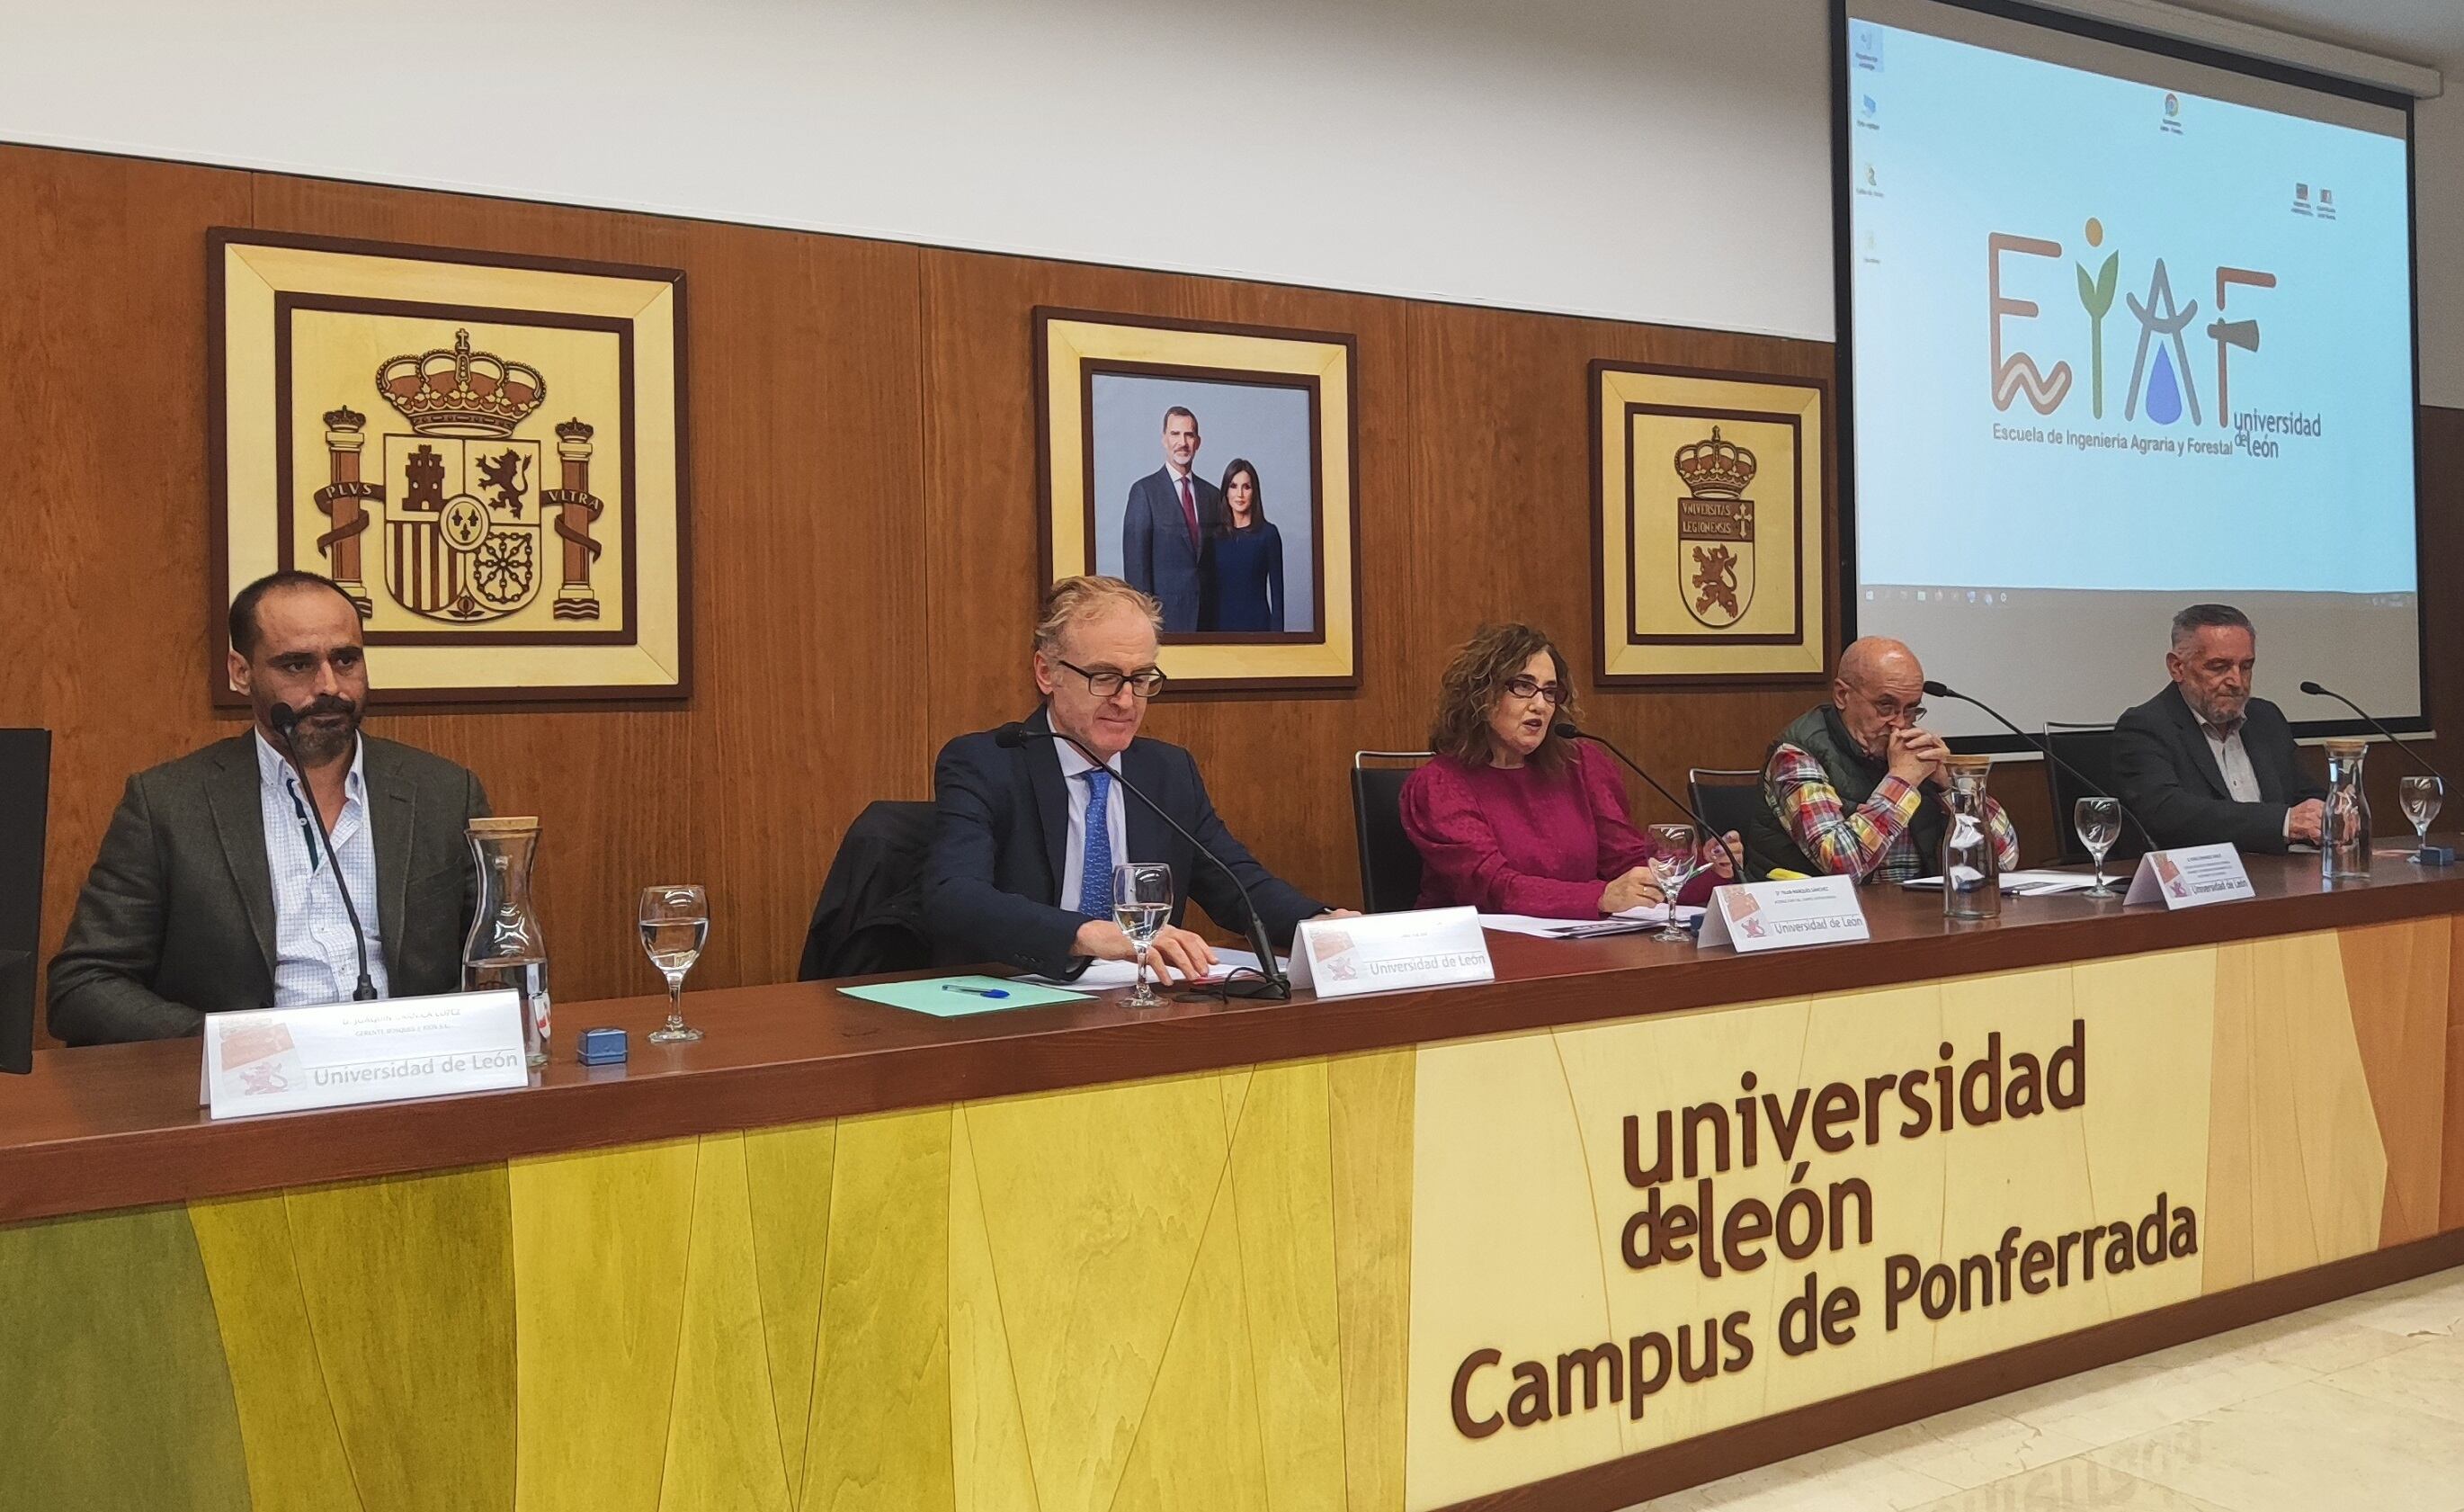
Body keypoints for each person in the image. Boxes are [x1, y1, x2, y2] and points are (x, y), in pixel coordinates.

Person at [48, 570, 490, 1046]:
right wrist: (232, 1046)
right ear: (242, 672)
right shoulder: (168, 805)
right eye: (297, 665)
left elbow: (499, 961)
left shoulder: (444, 793)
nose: (330, 687)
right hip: (251, 1091)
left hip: (410, 1072)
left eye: (345, 660)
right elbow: (83, 987)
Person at [924, 576, 1338, 980]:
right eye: (1104, 677)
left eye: (1141, 679)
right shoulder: (988, 762)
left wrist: (1322, 924)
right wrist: (1089, 934)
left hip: (1141, 1003)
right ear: (1047, 672)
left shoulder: (1166, 772)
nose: (1126, 701)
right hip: (1019, 1002)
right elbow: (955, 896)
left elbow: (1239, 887)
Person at [1399, 623, 1736, 917]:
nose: (1540, 704)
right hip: (1478, 954)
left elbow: (1623, 862)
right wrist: (1601, 898)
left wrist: (1701, 870)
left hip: (1577, 944)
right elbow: (1491, 888)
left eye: (1549, 691)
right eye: (1522, 686)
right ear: (1481, 696)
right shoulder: (1440, 785)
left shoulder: (1581, 765)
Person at [1750, 636, 2019, 883]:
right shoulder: (1795, 756)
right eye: (1886, 707)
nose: (1900, 724)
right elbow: (1841, 864)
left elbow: (2006, 860)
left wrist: (1954, 786)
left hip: (1915, 915)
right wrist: (1901, 781)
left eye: (1911, 709)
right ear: (1842, 695)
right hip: (1821, 920)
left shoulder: (1916, 755)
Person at [2113, 604, 2326, 852]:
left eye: (2246, 666)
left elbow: (2305, 794)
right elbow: (2168, 814)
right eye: (2218, 667)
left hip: (2278, 877)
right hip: (2198, 879)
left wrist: (2331, 814)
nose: (2237, 681)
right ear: (2177, 667)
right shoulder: (2146, 726)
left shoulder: (2265, 718)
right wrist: (2283, 822)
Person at [1120, 407, 1222, 632]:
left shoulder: (1213, 496)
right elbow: (1137, 568)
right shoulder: (1144, 492)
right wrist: (1146, 623)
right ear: (1164, 440)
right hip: (1164, 622)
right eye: (1175, 434)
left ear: (1198, 442)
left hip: (1209, 621)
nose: (1182, 442)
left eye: (1189, 435)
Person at [1202, 458, 1284, 632]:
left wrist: (1278, 640)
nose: (1239, 494)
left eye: (1246, 487)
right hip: (1219, 630)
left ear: (1255, 492)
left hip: (1258, 629)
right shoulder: (1213, 537)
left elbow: (1278, 597)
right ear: (1225, 491)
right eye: (1233, 486)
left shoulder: (1268, 534)